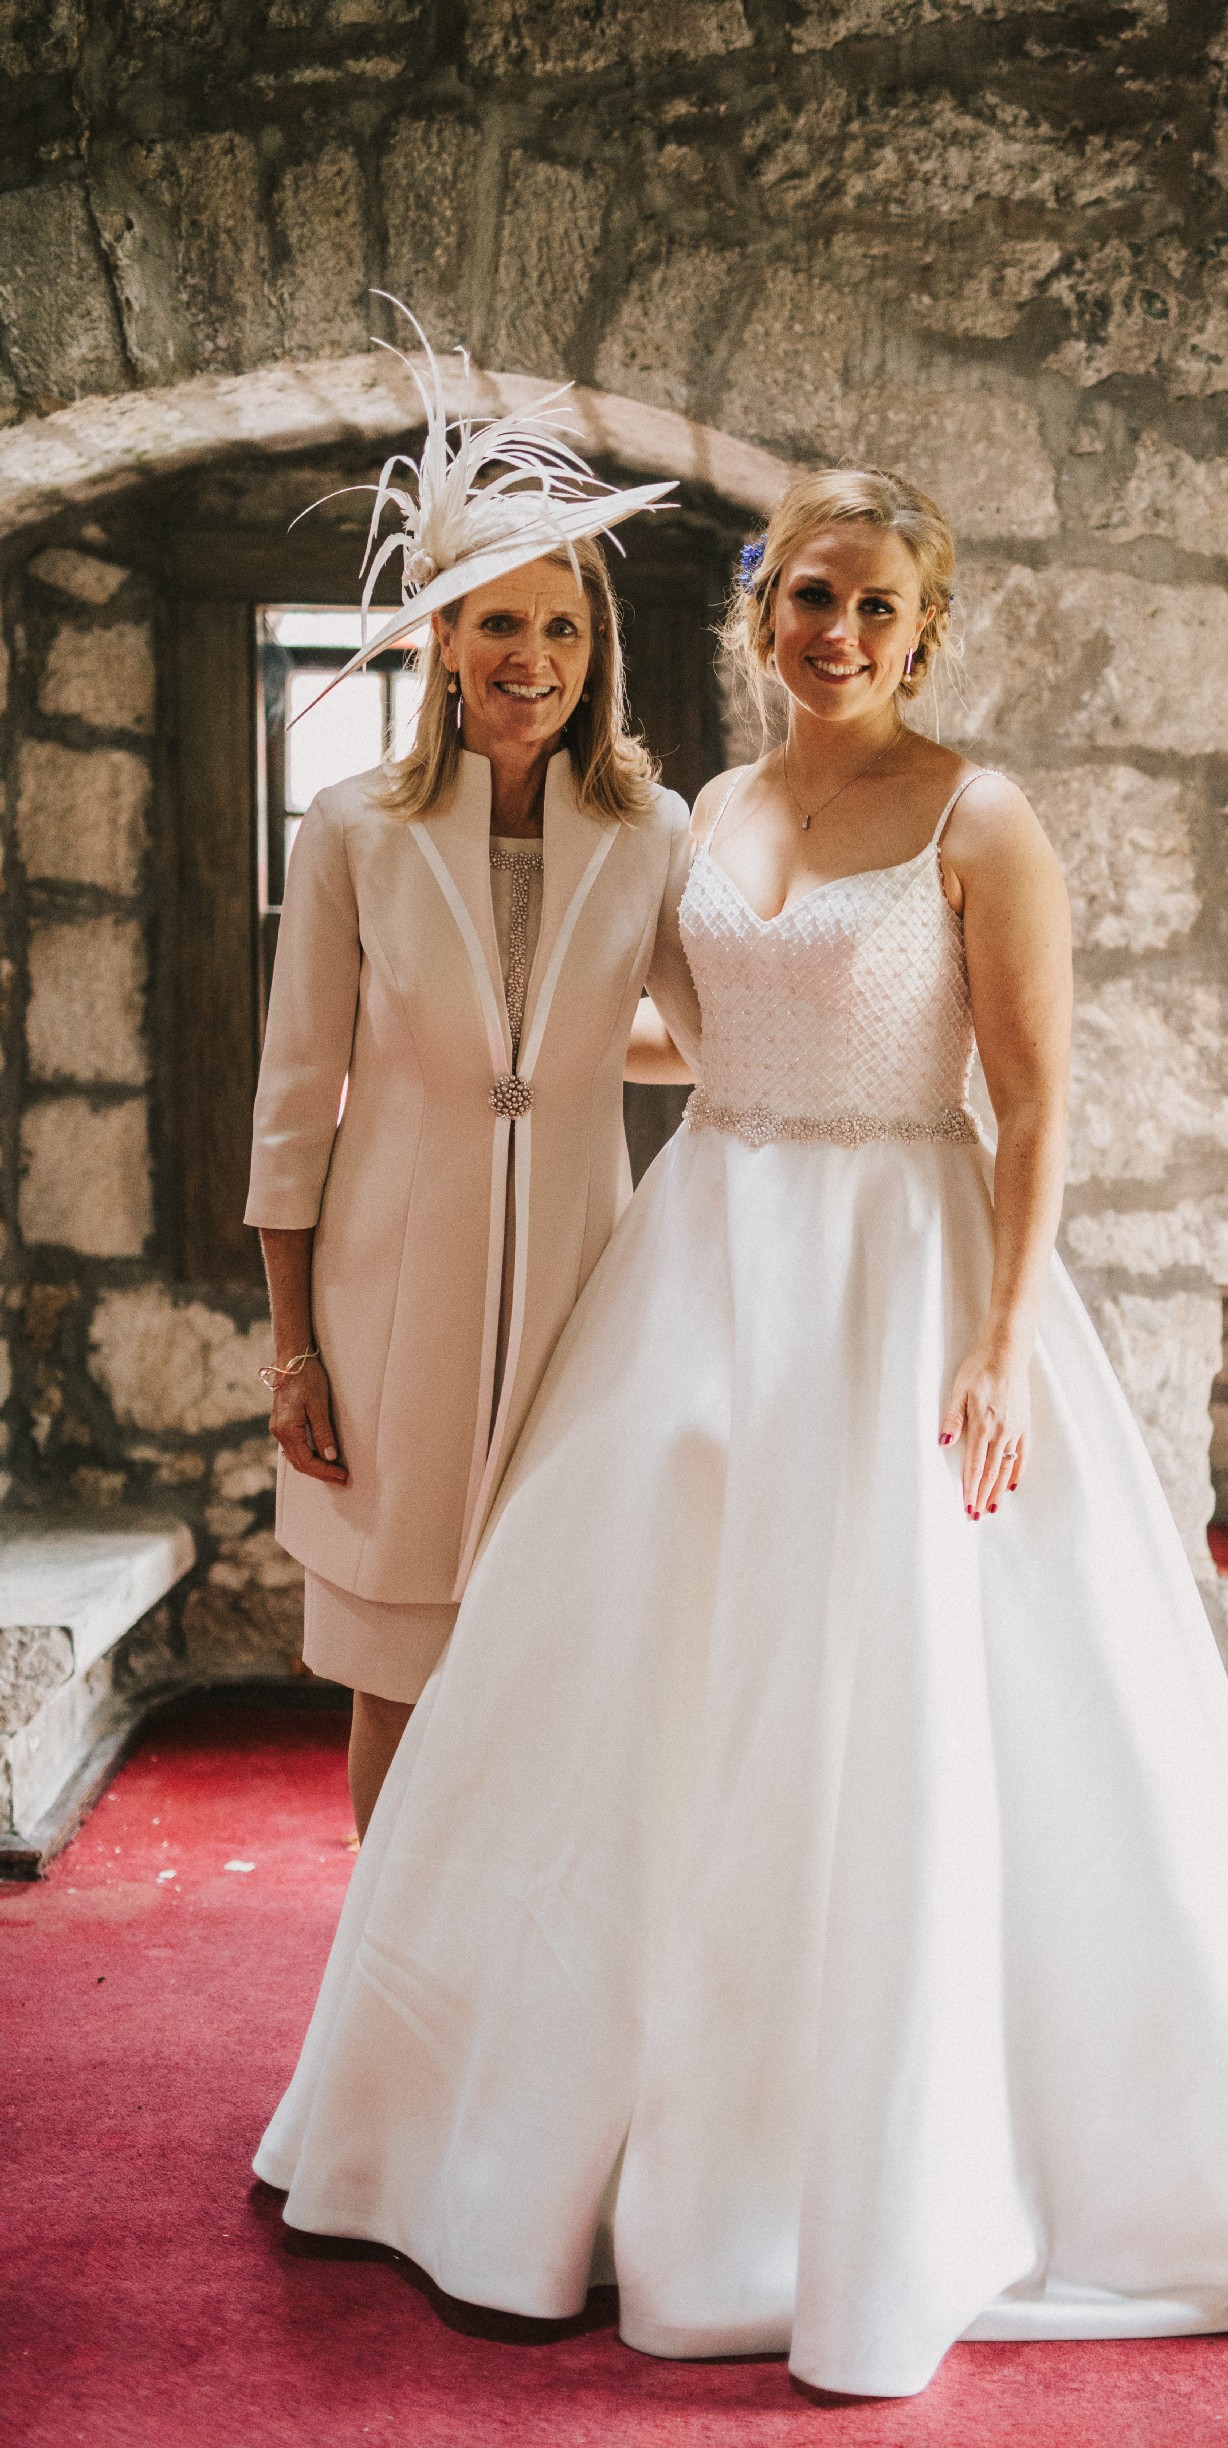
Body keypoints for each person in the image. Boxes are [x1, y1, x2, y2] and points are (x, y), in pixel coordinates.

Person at [254, 467, 1228, 2398]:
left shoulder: (982, 816)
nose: (833, 631)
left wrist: (1001, 1348)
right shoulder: (702, 817)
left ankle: (882, 2145)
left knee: (902, 1694)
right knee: (624, 1681)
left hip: (906, 1271)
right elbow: (660, 1027)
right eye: (806, 597)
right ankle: (532, 2128)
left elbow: (1038, 1097)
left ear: (923, 632)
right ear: (763, 617)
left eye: (871, 608)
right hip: (705, 1264)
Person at [247, 308, 697, 1834]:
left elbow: (708, 1036)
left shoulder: (654, 835)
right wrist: (292, 1345)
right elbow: (296, 1098)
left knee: (566, 1667)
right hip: (391, 1303)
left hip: (586, 1293)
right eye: (499, 624)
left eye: (563, 630)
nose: (534, 658)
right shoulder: (354, 830)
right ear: (441, 635)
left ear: (597, 655)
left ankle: (536, 2008)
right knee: (400, 1671)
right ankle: (391, 2006)